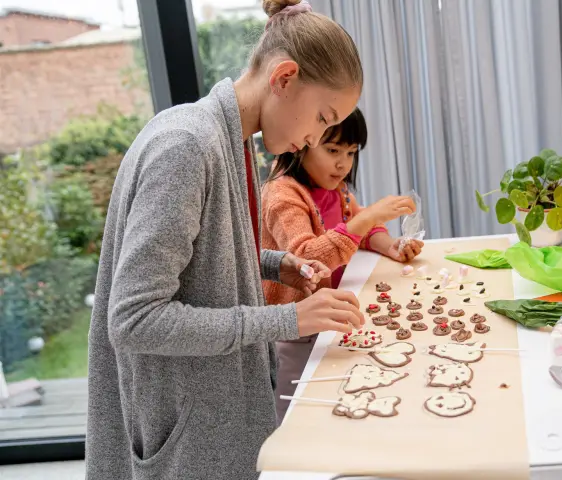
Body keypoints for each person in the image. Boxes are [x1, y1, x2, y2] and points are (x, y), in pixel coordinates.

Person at [85, 1, 365, 479]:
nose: (316, 136)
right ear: (284, 77)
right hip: (188, 433)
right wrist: (284, 319)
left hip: (213, 418)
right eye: (322, 117)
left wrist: (279, 265)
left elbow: (204, 258)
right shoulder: (187, 146)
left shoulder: (229, 140)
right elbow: (134, 318)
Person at [261, 107, 423, 421]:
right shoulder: (282, 194)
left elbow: (362, 230)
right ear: (302, 143)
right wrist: (368, 218)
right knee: (295, 410)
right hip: (293, 330)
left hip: (328, 317)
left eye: (350, 153)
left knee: (337, 398)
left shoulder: (337, 189)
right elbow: (307, 260)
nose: (342, 163)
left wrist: (389, 244)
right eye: (332, 150)